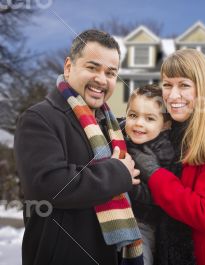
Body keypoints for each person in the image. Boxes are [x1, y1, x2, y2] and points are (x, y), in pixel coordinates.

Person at [14, 29, 144, 265]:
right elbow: (46, 185)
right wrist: (118, 172)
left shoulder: (113, 128)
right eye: (92, 68)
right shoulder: (39, 118)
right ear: (68, 66)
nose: (102, 79)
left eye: (110, 73)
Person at [130, 49, 205, 265]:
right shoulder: (173, 131)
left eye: (184, 85)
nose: (173, 95)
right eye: (167, 85)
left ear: (203, 88)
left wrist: (154, 173)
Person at [124, 84, 196, 265]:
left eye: (149, 118)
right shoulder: (122, 142)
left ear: (165, 125)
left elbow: (159, 196)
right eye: (133, 115)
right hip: (124, 218)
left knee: (140, 257)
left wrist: (129, 185)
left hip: (145, 222)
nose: (139, 123)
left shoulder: (165, 151)